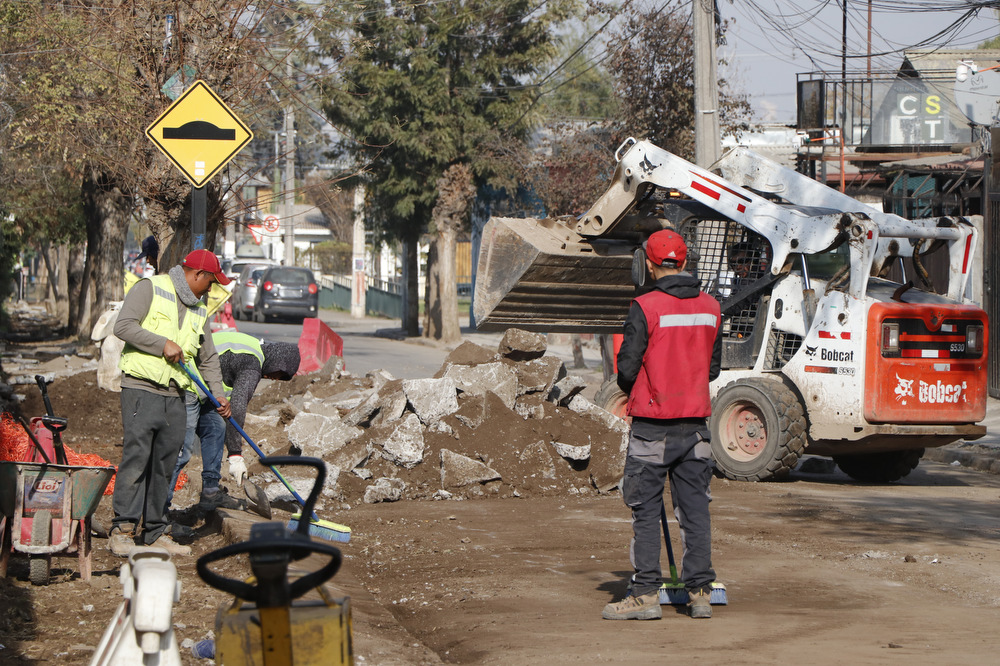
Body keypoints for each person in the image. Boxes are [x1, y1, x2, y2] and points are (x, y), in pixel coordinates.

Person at [602, 229, 723, 621]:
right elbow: (713, 368)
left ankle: (644, 594)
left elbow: (626, 369)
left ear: (650, 265)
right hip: (697, 430)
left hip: (653, 429)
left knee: (645, 509)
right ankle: (701, 592)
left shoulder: (645, 305)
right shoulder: (711, 307)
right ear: (684, 263)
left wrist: (638, 389)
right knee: (695, 511)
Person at [109, 249, 232, 557]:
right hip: (141, 389)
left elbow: (208, 358)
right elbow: (123, 326)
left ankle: (155, 532)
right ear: (198, 275)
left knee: (166, 465)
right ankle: (122, 529)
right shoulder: (150, 288)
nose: (212, 289)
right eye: (211, 282)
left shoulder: (199, 308)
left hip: (177, 394)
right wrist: (160, 343)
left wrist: (218, 393)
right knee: (137, 459)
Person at [166, 330, 300, 511]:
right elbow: (237, 408)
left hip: (206, 389)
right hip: (187, 382)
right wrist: (236, 455)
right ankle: (159, 512)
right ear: (277, 361)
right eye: (278, 373)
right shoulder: (252, 365)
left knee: (216, 428)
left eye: (280, 378)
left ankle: (211, 493)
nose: (273, 378)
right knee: (183, 450)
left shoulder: (252, 346)